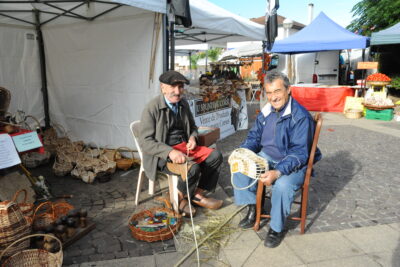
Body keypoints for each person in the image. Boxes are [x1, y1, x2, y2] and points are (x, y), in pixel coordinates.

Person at [232, 71, 321, 248]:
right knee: (239, 167)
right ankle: (254, 207)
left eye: (277, 91)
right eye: (269, 92)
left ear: (288, 90)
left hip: (293, 162)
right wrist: (242, 152)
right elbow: (254, 137)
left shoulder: (300, 116)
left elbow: (300, 154)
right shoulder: (267, 111)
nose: (273, 97)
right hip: (267, 156)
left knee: (282, 185)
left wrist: (278, 171)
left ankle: (276, 228)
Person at [139, 70, 223, 217]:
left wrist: (192, 138)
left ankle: (195, 194)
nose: (177, 92)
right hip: (161, 154)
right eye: (173, 87)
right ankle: (179, 199)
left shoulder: (183, 104)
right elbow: (145, 141)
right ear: (163, 87)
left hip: (184, 147)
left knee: (215, 156)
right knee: (193, 168)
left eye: (180, 87)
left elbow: (193, 128)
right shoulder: (151, 108)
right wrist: (169, 152)